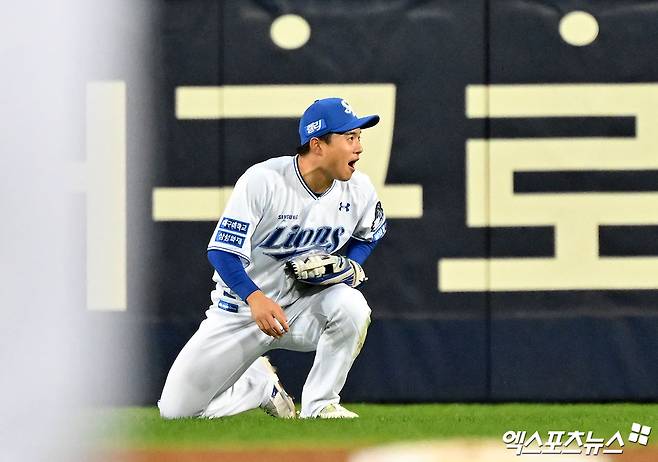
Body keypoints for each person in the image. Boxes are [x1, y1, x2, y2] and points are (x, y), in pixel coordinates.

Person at [158, 97, 387, 419]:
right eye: (349, 138)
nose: (359, 147)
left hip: (302, 309)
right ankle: (260, 386)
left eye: (359, 137)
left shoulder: (360, 189)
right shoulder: (265, 180)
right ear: (318, 145)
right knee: (175, 414)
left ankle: (321, 406)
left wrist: (353, 263)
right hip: (240, 313)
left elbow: (371, 232)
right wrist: (255, 298)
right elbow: (222, 251)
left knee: (351, 305)